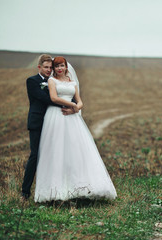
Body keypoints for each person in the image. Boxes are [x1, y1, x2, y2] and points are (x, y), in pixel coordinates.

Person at [34, 56, 117, 202]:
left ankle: (79, 188)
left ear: (66, 67)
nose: (60, 68)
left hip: (72, 117)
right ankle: (55, 192)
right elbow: (53, 98)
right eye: (57, 66)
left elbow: (79, 101)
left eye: (62, 66)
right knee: (57, 150)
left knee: (75, 149)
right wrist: (70, 104)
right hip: (56, 116)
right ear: (54, 68)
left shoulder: (72, 82)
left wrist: (75, 108)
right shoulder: (52, 81)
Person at [21, 54, 76, 200]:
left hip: (55, 122)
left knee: (56, 154)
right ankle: (25, 192)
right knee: (35, 155)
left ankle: (56, 188)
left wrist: (73, 107)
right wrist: (67, 104)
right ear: (39, 67)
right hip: (38, 122)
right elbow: (46, 98)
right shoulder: (32, 81)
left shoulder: (55, 81)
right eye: (46, 67)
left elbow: (73, 97)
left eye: (50, 67)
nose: (48, 70)